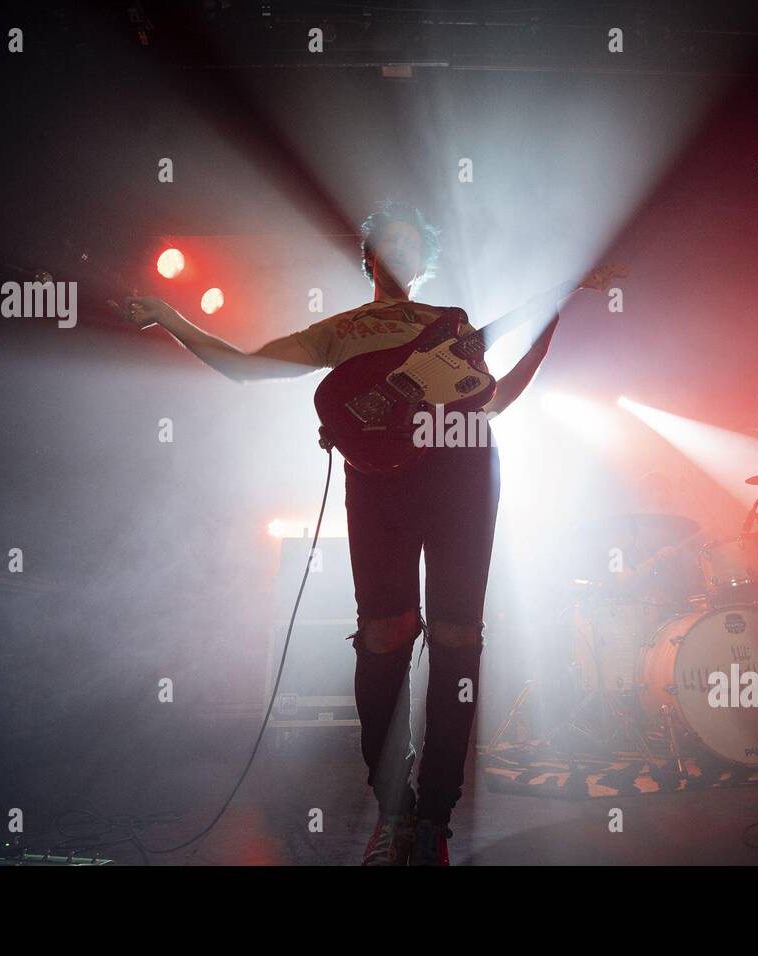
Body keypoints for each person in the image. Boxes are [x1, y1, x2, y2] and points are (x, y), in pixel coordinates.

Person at [121, 200, 582, 864]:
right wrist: (171, 319)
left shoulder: (451, 326)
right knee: (384, 633)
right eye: (388, 246)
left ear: (424, 263)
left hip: (465, 471)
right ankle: (393, 810)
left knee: (458, 637)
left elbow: (498, 402)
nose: (401, 257)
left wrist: (543, 338)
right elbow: (246, 366)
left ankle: (436, 819)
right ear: (368, 257)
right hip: (381, 483)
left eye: (412, 248)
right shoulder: (344, 329)